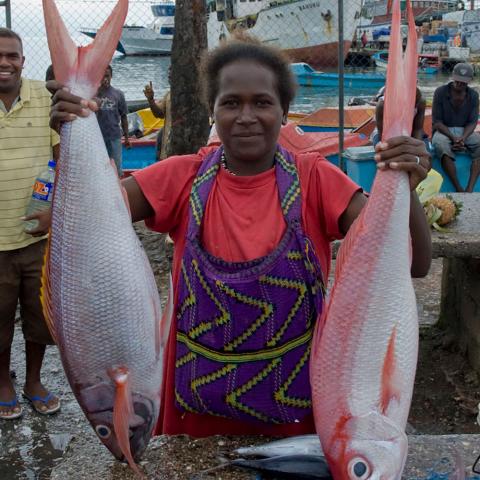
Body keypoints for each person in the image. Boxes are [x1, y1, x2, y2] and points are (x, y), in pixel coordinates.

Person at [48, 36, 431, 437]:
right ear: (212, 110)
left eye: (262, 103)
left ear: (284, 112)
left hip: (295, 418)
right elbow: (84, 222)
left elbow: (415, 263)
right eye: (231, 103)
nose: (246, 115)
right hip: (192, 415)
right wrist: (73, 130)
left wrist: (406, 183)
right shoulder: (181, 177)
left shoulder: (317, 180)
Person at [0, 28, 61, 419]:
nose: (5, 63)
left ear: (23, 59)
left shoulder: (45, 97)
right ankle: (2, 381)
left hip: (40, 237)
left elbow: (65, 157)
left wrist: (54, 211)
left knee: (40, 318)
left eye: (12, 56)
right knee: (0, 318)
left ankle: (33, 380)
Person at [431, 62, 480, 192]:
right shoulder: (440, 92)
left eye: (463, 82)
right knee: (441, 146)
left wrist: (462, 138)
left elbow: (472, 122)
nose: (460, 84)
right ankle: (458, 187)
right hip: (443, 130)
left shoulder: (473, 95)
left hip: (464, 131)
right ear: (453, 77)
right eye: (458, 81)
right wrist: (453, 138)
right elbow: (437, 122)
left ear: (469, 81)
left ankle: (470, 188)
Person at [95, 65, 130, 177]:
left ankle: (118, 190)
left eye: (107, 76)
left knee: (116, 167)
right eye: (102, 76)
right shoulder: (93, 94)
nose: (105, 79)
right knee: (99, 167)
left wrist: (127, 137)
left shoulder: (118, 94)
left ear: (111, 76)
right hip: (98, 137)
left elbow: (124, 116)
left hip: (114, 136)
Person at [372, 86, 429, 151]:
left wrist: (415, 147)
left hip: (411, 131)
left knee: (424, 151)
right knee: (385, 150)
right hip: (384, 133)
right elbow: (382, 134)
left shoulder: (420, 102)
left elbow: (418, 129)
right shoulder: (382, 105)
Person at [143, 68, 172, 161]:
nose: (169, 74)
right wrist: (151, 100)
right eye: (169, 71)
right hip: (167, 147)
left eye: (172, 71)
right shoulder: (168, 95)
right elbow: (159, 114)